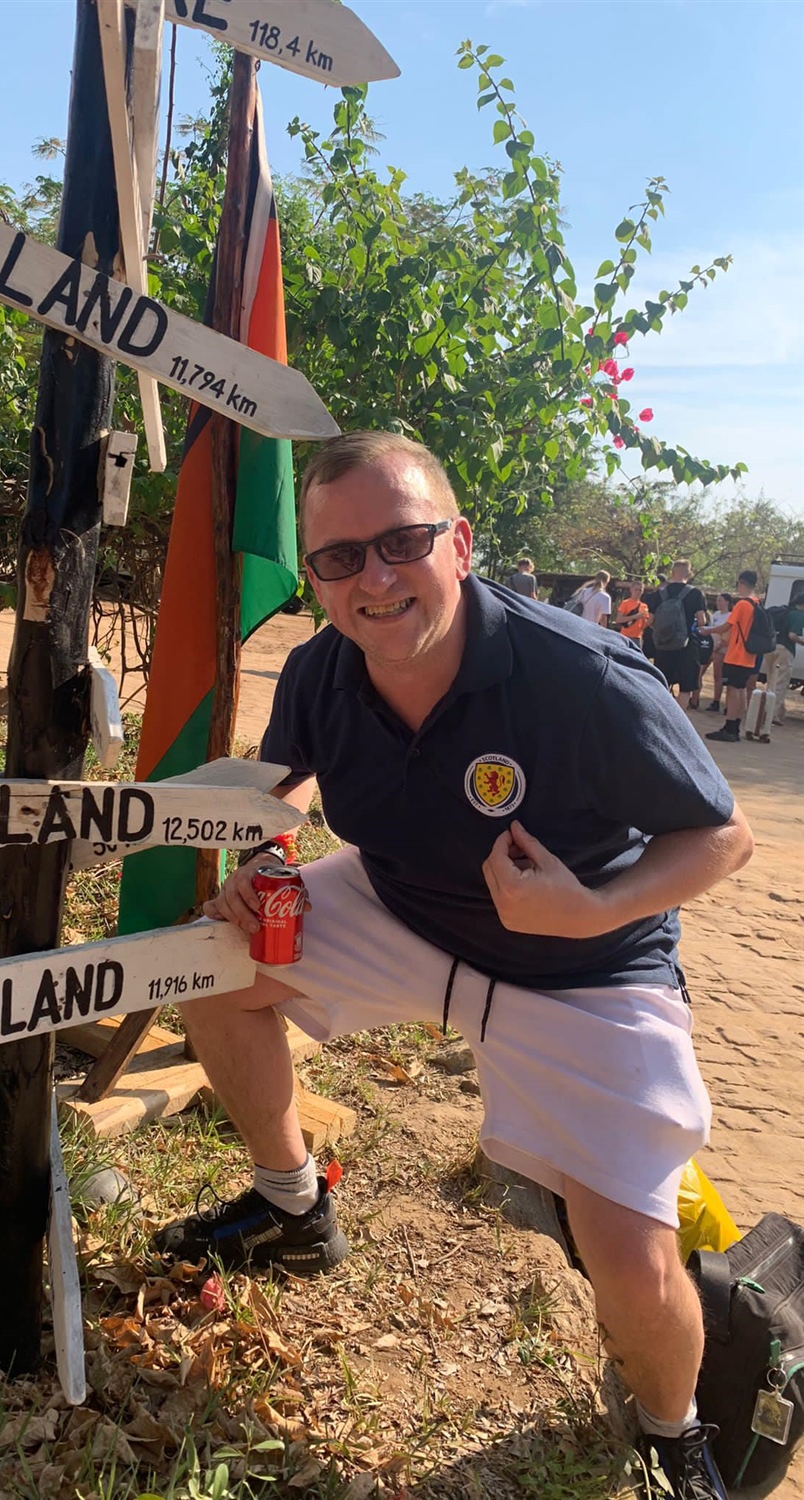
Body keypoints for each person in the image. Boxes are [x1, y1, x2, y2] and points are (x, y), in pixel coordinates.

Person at [154, 432, 752, 1500]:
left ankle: (672, 1437)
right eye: (340, 557)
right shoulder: (321, 669)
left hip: (582, 967)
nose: (374, 579)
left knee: (627, 1256)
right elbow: (278, 789)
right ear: (315, 577)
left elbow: (721, 837)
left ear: (460, 543)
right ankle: (294, 1209)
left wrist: (591, 908)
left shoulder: (581, 677)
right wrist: (262, 859)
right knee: (213, 970)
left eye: (402, 542)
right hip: (400, 903)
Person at [704, 571, 762, 743]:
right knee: (741, 689)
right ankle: (734, 725)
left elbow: (727, 626)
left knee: (733, 690)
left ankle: (730, 727)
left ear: (741, 583)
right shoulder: (756, 602)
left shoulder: (743, 604)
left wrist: (708, 630)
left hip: (737, 654)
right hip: (749, 655)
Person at [644, 563, 708, 711]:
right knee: (686, 686)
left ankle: (659, 714)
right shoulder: (695, 594)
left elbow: (650, 621)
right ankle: (678, 717)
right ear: (689, 574)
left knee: (662, 683)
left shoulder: (659, 593)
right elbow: (701, 621)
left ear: (672, 573)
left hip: (663, 644)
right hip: (686, 644)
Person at [770, 581, 804, 727]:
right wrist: (802, 642)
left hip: (771, 648)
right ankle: (772, 715)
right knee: (781, 683)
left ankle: (776, 711)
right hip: (785, 650)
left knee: (772, 682)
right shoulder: (799, 615)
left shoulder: (785, 611)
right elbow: (792, 635)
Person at [703, 593, 733, 714]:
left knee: (718, 675)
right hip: (711, 647)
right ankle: (694, 698)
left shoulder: (730, 616)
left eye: (720, 601)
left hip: (721, 648)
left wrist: (719, 645)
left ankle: (717, 701)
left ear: (727, 602)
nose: (718, 603)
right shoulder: (715, 615)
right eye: (717, 601)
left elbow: (727, 633)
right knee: (702, 670)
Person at [615, 580, 649, 648]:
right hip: (625, 636)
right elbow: (618, 620)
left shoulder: (644, 606)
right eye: (636, 590)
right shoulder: (625, 603)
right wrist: (635, 616)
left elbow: (644, 625)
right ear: (631, 590)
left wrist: (644, 619)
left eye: (640, 590)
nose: (638, 592)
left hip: (637, 637)